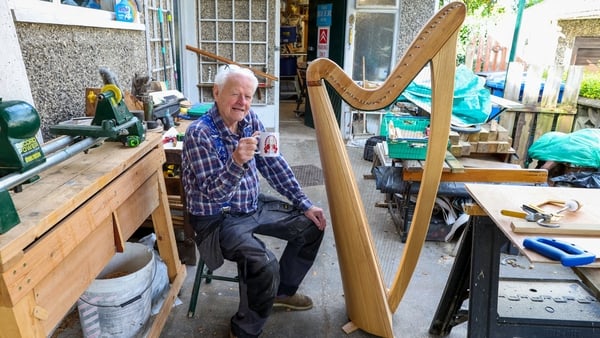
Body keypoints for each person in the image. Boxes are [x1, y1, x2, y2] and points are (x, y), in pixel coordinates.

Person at [181, 64, 327, 338]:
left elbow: (274, 165)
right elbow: (214, 194)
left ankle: (281, 292)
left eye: (248, 96)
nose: (242, 102)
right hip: (218, 217)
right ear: (216, 92)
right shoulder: (199, 133)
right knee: (263, 263)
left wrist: (304, 202)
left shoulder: (250, 121)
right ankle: (243, 330)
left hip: (250, 205)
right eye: (235, 94)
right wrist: (236, 161)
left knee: (312, 226)